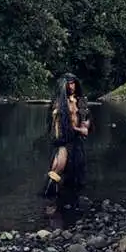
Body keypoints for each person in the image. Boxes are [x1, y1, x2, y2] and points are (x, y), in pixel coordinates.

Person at [43, 73, 90, 201]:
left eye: (73, 83)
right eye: (69, 83)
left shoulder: (81, 101)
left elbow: (86, 125)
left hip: (76, 140)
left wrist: (79, 129)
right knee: (56, 168)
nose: (71, 86)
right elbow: (54, 124)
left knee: (75, 175)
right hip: (62, 141)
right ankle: (50, 201)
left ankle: (69, 201)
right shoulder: (58, 103)